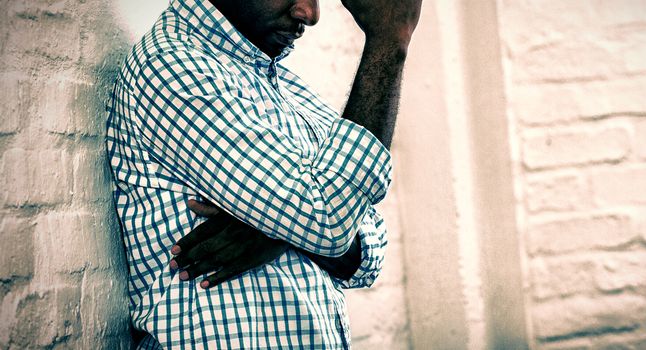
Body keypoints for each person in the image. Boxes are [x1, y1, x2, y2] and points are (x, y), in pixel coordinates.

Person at [105, 0, 422, 348]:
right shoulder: (171, 66)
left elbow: (370, 251)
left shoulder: (289, 91)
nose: (310, 14)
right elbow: (331, 219)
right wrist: (388, 44)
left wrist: (280, 230)